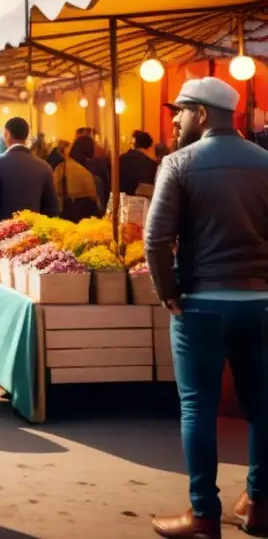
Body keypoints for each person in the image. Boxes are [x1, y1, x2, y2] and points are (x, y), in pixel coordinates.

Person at [147, 78, 268, 539]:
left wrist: (168, 290)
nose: (175, 119)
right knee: (263, 405)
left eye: (180, 111)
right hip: (260, 304)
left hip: (199, 304)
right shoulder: (265, 163)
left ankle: (204, 515)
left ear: (201, 114)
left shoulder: (178, 163)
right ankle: (258, 503)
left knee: (198, 406)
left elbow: (156, 239)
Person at [0, 117, 59, 229]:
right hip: (33, 237)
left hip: (1, 237)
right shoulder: (44, 167)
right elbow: (52, 209)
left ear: (6, 134)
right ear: (26, 136)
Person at [53, 135, 102, 221]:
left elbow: (55, 190)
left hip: (63, 214)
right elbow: (93, 196)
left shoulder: (60, 167)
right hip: (83, 217)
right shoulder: (84, 171)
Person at [119, 130, 159, 196]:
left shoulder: (121, 160)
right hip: (144, 203)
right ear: (147, 147)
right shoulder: (151, 164)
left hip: (122, 202)